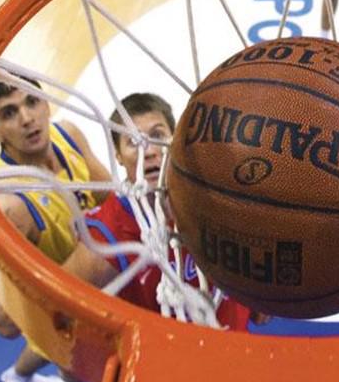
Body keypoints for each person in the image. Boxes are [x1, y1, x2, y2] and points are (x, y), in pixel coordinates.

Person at [61, 93, 257, 332]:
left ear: (175, 140)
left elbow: (261, 310)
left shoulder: (216, 195)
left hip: (236, 341)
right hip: (167, 352)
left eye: (157, 135)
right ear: (118, 156)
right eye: (133, 142)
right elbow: (53, 311)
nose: (149, 151)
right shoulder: (109, 232)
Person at [0, 76, 111, 382]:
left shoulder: (69, 135)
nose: (27, 118)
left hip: (93, 267)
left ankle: (14, 380)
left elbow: (110, 199)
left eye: (31, 101)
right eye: (9, 113)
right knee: (90, 369)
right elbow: (3, 322)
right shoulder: (5, 203)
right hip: (58, 293)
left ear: (46, 105)